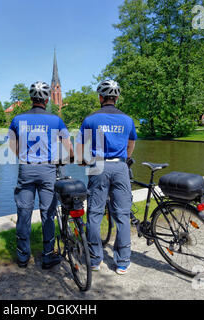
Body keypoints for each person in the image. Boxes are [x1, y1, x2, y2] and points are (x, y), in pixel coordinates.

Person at [8, 81, 73, 269]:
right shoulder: (55, 120)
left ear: (31, 99)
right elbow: (68, 147)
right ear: (46, 99)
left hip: (26, 170)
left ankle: (22, 257)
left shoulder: (18, 119)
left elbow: (12, 145)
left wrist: (22, 157)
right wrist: (70, 157)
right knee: (48, 213)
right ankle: (47, 256)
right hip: (48, 170)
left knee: (24, 212)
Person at [76, 80, 137, 275]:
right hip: (120, 167)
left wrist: (82, 161)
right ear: (116, 98)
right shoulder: (127, 120)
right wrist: (124, 159)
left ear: (100, 97)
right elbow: (131, 144)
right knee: (122, 215)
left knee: (94, 213)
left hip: (98, 165)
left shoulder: (90, 119)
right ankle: (123, 262)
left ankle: (94, 259)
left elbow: (81, 147)